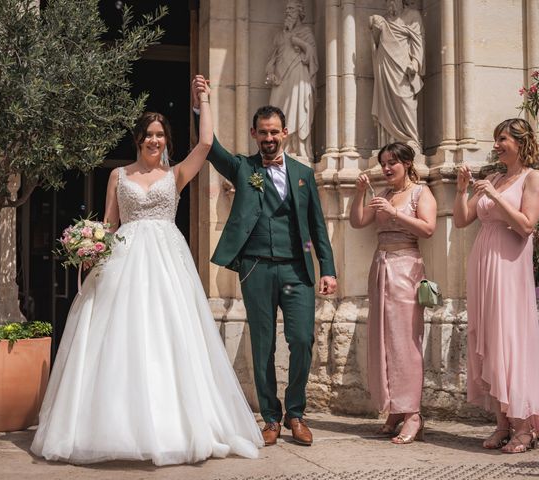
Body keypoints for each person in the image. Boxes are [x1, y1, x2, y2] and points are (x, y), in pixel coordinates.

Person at [31, 76, 263, 466]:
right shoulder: (118, 176)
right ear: (138, 139)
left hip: (167, 264)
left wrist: (203, 99)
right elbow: (109, 221)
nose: (155, 141)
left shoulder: (176, 176)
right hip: (123, 261)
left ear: (166, 141)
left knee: (167, 335)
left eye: (161, 135)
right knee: (119, 338)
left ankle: (175, 427)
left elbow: (206, 144)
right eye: (149, 135)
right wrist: (90, 245)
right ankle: (113, 427)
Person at [194, 101, 337, 446]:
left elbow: (317, 226)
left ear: (284, 133)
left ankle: (296, 413)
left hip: (296, 268)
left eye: (274, 131)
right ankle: (271, 418)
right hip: (256, 266)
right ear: (254, 134)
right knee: (263, 344)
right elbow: (210, 146)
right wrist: (203, 104)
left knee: (302, 340)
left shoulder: (303, 174)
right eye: (263, 132)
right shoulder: (244, 168)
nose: (269, 138)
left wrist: (328, 269)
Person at [454, 118, 539, 453]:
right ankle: (502, 423)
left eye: (503, 139)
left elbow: (526, 226)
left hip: (510, 266)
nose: (496, 145)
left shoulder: (533, 178)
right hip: (484, 261)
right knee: (488, 339)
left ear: (521, 142)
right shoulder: (494, 177)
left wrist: (495, 196)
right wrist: (462, 189)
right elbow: (461, 220)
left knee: (509, 338)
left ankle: (525, 427)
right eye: (496, 139)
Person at [349, 142, 436, 444]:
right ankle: (396, 409)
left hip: (406, 268)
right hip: (381, 266)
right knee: (383, 340)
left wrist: (394, 214)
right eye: (383, 163)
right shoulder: (383, 194)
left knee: (405, 342)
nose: (386, 169)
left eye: (392, 163)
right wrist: (361, 193)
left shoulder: (420, 192)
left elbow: (428, 229)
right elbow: (358, 221)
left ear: (408, 163)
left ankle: (413, 414)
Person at [265, 0, 318, 159]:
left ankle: (298, 147)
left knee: (298, 110)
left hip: (298, 77)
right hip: (281, 80)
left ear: (299, 13)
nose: (288, 13)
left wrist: (299, 42)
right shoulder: (279, 36)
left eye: (291, 10)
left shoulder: (306, 32)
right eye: (286, 10)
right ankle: (279, 148)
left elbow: (312, 57)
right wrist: (270, 74)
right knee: (276, 113)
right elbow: (271, 60)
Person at [369, 0, 425, 149]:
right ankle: (389, 142)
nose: (391, 3)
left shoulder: (413, 15)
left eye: (394, 0)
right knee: (386, 102)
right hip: (385, 65)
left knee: (405, 100)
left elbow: (418, 41)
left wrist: (416, 62)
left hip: (403, 66)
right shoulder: (384, 19)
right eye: (388, 1)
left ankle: (411, 138)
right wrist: (376, 29)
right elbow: (376, 43)